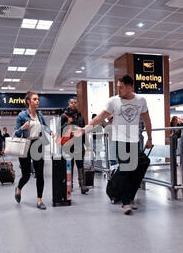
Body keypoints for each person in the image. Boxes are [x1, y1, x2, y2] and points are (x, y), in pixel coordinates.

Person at [77, 75, 153, 215]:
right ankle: (125, 202)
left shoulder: (141, 100)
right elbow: (99, 118)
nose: (118, 89)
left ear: (130, 87)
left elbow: (147, 119)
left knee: (133, 171)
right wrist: (85, 129)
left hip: (135, 141)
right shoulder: (113, 101)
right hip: (120, 140)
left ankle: (129, 198)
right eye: (117, 86)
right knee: (124, 170)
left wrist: (150, 138)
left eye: (121, 87)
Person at [14, 91, 54, 210]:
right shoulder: (21, 116)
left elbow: (44, 126)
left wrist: (51, 131)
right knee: (26, 175)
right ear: (28, 101)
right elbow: (17, 133)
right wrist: (22, 128)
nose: (38, 101)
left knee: (40, 174)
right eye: (35, 99)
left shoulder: (39, 115)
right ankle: (19, 188)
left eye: (38, 99)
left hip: (37, 144)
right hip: (25, 145)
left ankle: (39, 200)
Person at [60, 98, 89, 195]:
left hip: (79, 144)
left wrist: (85, 144)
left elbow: (83, 130)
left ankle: (82, 185)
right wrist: (66, 124)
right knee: (69, 165)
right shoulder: (64, 116)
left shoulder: (80, 115)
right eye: (71, 103)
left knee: (80, 165)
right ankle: (70, 184)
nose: (73, 104)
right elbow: (59, 131)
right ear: (69, 104)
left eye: (75, 103)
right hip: (68, 145)